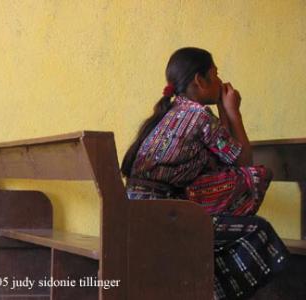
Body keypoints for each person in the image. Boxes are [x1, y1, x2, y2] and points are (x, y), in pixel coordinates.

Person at [121, 47, 289, 300]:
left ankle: (210, 289)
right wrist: (233, 111)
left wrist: (223, 112)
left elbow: (225, 158)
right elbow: (243, 161)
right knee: (257, 204)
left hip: (137, 214)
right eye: (216, 74)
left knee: (228, 194)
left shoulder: (171, 112)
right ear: (200, 80)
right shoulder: (199, 116)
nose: (221, 81)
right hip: (162, 217)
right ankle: (214, 293)